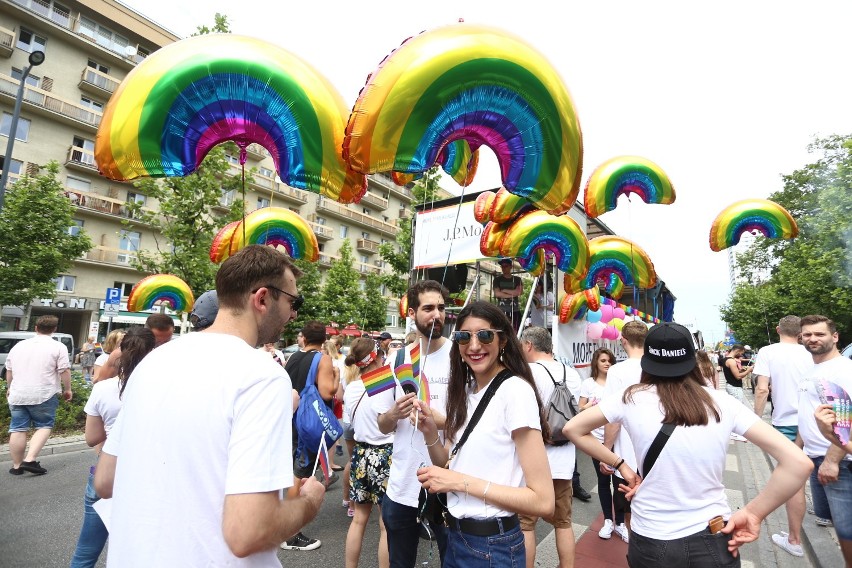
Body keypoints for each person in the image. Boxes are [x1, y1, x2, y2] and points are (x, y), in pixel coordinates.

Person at [93, 244, 324, 566]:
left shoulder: (154, 361)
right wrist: (310, 502)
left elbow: (105, 480)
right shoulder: (261, 375)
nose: (294, 313)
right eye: (292, 301)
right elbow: (248, 531)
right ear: (261, 299)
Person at [564, 322, 813, 568]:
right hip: (714, 533)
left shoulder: (630, 398)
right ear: (692, 359)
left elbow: (572, 429)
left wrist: (621, 465)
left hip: (652, 536)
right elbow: (798, 463)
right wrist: (754, 513)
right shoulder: (722, 403)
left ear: (648, 361)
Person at [415, 301, 554, 568]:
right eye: (464, 336)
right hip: (455, 536)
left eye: (485, 335)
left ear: (502, 340)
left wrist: (457, 482)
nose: (474, 345)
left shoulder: (515, 391)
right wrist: (431, 432)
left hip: (493, 546)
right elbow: (447, 462)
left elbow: (543, 500)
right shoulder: (466, 392)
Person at [377, 279, 453, 568]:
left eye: (442, 308)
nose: (437, 315)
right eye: (428, 308)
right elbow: (382, 425)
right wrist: (394, 414)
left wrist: (436, 419)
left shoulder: (460, 356)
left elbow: (472, 421)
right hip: (403, 484)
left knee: (452, 560)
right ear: (411, 313)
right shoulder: (395, 359)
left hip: (448, 480)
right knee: (400, 562)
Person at [70, 327, 156, 567]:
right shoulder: (161, 389)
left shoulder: (102, 389)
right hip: (148, 475)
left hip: (106, 471)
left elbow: (91, 437)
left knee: (86, 551)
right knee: (142, 551)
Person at [750, 315, 814, 555]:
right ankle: (825, 516)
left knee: (793, 481)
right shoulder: (810, 351)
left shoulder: (768, 351)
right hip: (816, 421)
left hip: (786, 423)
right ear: (801, 332)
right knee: (817, 471)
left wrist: (756, 418)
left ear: (778, 329)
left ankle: (795, 540)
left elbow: (762, 388)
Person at [519, 326, 582, 568]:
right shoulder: (572, 373)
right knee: (563, 522)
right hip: (565, 460)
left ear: (528, 345)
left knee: (526, 523)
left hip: (534, 462)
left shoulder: (528, 372)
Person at [796, 315, 852, 566]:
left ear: (835, 337)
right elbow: (806, 415)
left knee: (847, 529)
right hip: (815, 457)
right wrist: (797, 450)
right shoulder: (811, 370)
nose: (813, 339)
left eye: (819, 334)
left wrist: (831, 460)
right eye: (807, 334)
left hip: (840, 463)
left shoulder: (843, 370)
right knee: (835, 524)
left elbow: (847, 421)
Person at [280, 319, 340, 552]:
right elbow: (327, 391)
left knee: (289, 473)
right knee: (300, 476)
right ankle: (290, 534)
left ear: (303, 338)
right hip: (308, 424)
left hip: (289, 418)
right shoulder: (322, 359)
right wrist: (334, 375)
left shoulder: (293, 357)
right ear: (323, 340)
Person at [344, 338, 395, 568]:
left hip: (360, 454)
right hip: (384, 455)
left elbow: (350, 422)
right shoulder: (384, 383)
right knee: (386, 525)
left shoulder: (352, 387)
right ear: (375, 357)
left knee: (358, 520)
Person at [6, 315, 72, 476]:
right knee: (43, 426)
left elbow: (9, 370)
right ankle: (30, 459)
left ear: (36, 328)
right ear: (54, 329)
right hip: (44, 393)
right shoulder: (58, 347)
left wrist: (9, 388)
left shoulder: (19, 346)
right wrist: (67, 389)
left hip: (17, 393)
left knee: (17, 428)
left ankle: (16, 467)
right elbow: (64, 370)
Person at [601, 319, 648, 541]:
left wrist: (606, 452)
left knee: (630, 511)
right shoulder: (656, 367)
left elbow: (613, 419)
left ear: (623, 341)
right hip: (657, 453)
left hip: (627, 455)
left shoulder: (618, 371)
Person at [578, 347, 624, 539]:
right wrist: (590, 405)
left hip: (618, 439)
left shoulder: (618, 383)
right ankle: (607, 520)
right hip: (596, 441)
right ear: (596, 362)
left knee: (619, 482)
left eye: (610, 361)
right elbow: (580, 409)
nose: (607, 363)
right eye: (603, 360)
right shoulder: (588, 384)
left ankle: (620, 522)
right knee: (603, 482)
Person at [93, 313, 175, 384]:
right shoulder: (121, 354)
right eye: (157, 341)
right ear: (146, 332)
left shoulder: (175, 354)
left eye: (166, 341)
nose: (161, 345)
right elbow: (100, 385)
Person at [493, 258, 523, 333]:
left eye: (506, 266)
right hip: (502, 309)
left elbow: (519, 292)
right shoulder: (497, 279)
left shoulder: (517, 279)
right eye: (502, 266)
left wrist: (504, 291)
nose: (504, 268)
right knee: (501, 331)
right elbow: (497, 294)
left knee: (516, 330)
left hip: (514, 309)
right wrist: (513, 294)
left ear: (511, 267)